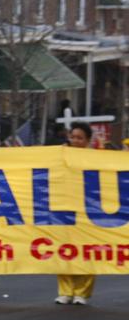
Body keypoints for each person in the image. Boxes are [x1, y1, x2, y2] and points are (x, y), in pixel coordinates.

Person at [55, 123, 96, 306]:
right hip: (65, 209)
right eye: (73, 137)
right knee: (64, 250)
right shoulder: (60, 156)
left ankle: (82, 292)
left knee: (87, 251)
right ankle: (65, 291)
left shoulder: (96, 158)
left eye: (80, 138)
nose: (75, 141)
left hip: (89, 211)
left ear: (87, 141)